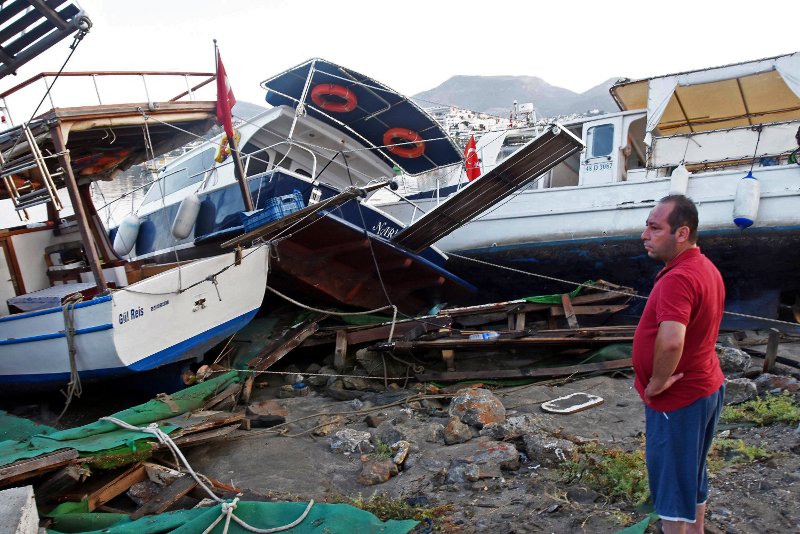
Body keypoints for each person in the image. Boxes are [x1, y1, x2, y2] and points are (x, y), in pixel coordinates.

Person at [632, 194, 726, 534]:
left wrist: (656, 383)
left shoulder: (678, 278)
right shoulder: (706, 268)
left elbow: (672, 340)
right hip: (705, 386)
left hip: (680, 398)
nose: (645, 235)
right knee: (692, 472)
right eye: (647, 226)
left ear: (682, 233)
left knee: (671, 485)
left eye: (655, 228)